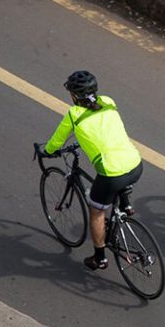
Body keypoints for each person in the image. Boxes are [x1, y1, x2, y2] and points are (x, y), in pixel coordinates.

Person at [41, 70, 143, 271]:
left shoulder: (73, 114)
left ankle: (100, 258)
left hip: (112, 174)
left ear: (73, 96)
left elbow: (56, 142)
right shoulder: (108, 101)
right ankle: (125, 204)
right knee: (119, 172)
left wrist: (46, 151)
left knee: (96, 210)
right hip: (136, 163)